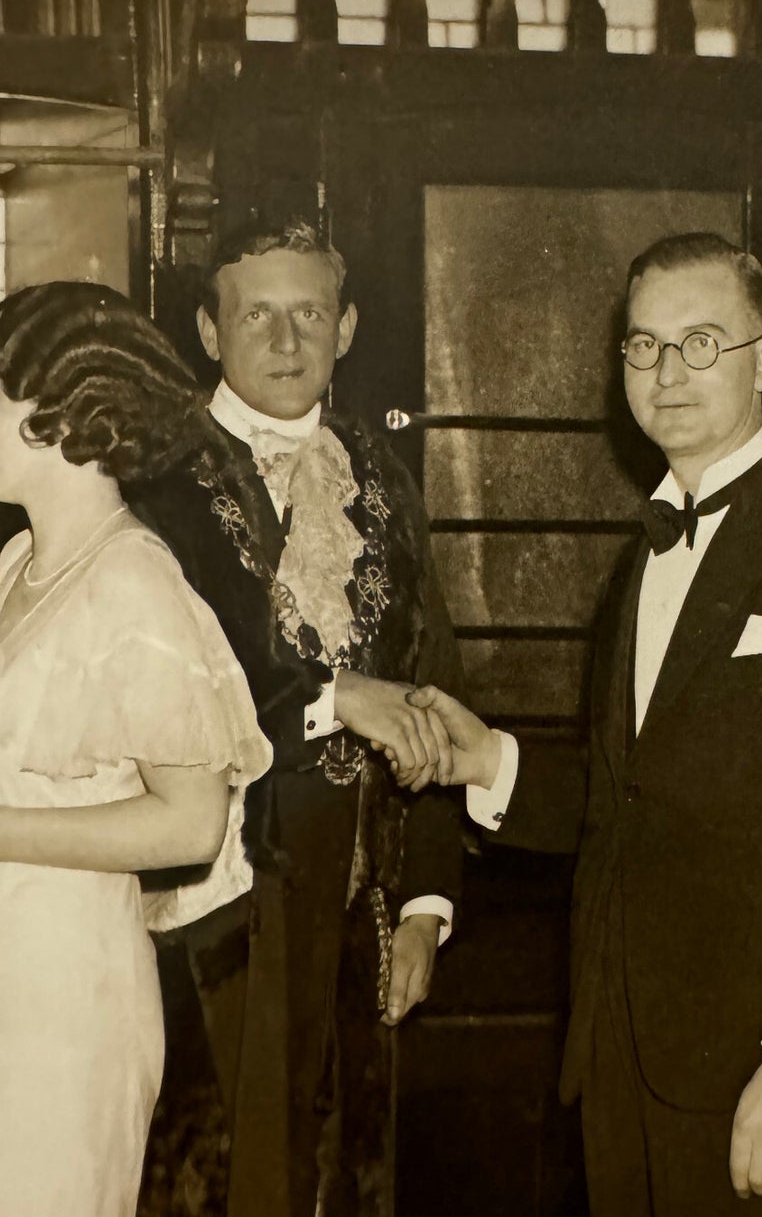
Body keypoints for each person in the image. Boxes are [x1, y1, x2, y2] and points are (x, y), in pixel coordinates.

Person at [408, 233, 762, 1215]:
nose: (667, 372)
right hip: (619, 1057)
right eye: (643, 346)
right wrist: (487, 760)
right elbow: (631, 801)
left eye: (701, 342)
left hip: (761, 1070)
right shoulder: (641, 558)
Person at [128, 220, 464, 1217]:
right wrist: (333, 695)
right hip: (213, 897)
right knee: (221, 1170)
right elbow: (167, 681)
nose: (284, 339)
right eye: (256, 313)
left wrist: (422, 907)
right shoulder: (157, 479)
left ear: (346, 327)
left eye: (308, 312)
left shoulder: (384, 481)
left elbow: (431, 681)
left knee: (342, 1167)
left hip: (357, 890)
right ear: (207, 327)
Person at [0, 281, 271, 1216]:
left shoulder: (134, 583)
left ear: (58, 415)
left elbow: (192, 821)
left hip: (65, 993)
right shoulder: (15, 563)